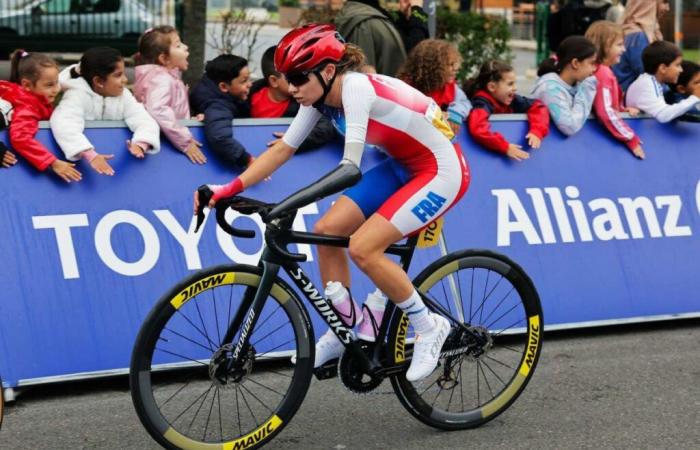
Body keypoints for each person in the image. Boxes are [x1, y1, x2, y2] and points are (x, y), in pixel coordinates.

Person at [195, 24, 470, 382]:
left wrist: (286, 203)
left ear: (327, 71)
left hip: (440, 171)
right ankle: (346, 329)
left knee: (364, 248)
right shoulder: (318, 96)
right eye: (285, 78)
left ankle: (428, 326)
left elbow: (350, 169)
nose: (291, 88)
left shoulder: (354, 87)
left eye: (297, 78)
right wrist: (226, 188)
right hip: (403, 166)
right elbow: (283, 149)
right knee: (326, 230)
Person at [50, 47, 160, 176]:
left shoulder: (124, 95)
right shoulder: (77, 95)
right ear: (98, 81)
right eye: (118, 75)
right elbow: (64, 123)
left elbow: (144, 119)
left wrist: (142, 143)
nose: (125, 79)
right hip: (83, 172)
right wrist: (89, 154)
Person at [0, 51, 81, 180]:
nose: (56, 89)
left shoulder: (36, 99)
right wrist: (53, 162)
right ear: (26, 85)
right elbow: (20, 138)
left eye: (56, 83)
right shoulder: (27, 107)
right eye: (49, 85)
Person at [133, 26, 206, 165]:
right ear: (164, 58)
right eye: (178, 45)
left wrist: (190, 121)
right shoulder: (160, 79)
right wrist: (185, 141)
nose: (185, 47)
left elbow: (171, 112)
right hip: (166, 148)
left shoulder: (167, 78)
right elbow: (158, 110)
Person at [248, 45, 338, 153]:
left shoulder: (306, 100)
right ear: (273, 81)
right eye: (289, 78)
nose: (293, 87)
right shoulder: (246, 96)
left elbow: (325, 126)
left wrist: (295, 140)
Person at [465, 60, 550, 161]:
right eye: (510, 84)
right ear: (492, 87)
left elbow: (539, 107)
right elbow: (478, 129)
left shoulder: (512, 99)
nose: (515, 88)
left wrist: (537, 131)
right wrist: (505, 146)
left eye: (514, 83)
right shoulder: (481, 103)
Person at [585, 21, 645, 159]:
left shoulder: (600, 70)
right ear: (604, 46)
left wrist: (622, 109)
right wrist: (630, 138)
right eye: (619, 45)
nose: (624, 49)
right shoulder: (603, 73)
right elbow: (605, 112)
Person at [189, 54, 253, 170]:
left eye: (249, 79)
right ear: (224, 87)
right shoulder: (217, 106)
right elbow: (220, 137)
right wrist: (247, 159)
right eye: (244, 81)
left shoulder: (222, 95)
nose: (250, 84)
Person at [396, 39, 472, 136]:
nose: (456, 68)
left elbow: (464, 102)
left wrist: (455, 113)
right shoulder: (405, 87)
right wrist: (436, 117)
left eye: (456, 63)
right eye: (450, 64)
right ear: (433, 66)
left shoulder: (450, 87)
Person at [334, 0, 429, 76]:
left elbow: (400, 45)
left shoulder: (370, 12)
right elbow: (415, 53)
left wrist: (407, 18)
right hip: (387, 97)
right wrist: (417, 13)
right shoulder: (363, 23)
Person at [532, 36, 598, 136]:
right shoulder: (549, 88)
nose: (594, 69)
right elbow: (569, 127)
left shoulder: (578, 84)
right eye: (591, 63)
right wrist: (587, 89)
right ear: (575, 63)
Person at [626, 41, 700, 122]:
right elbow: (663, 115)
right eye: (677, 65)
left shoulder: (651, 82)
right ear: (663, 68)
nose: (681, 70)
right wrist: (695, 97)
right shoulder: (648, 84)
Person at [612, 0, 670, 91]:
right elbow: (648, 75)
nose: (668, 8)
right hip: (636, 98)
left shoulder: (628, 31)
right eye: (664, 2)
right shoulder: (638, 36)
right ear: (647, 4)